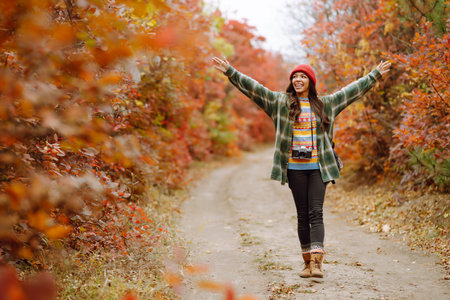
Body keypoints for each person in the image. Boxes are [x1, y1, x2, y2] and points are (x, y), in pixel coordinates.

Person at [212, 56, 391, 278]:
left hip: (318, 167)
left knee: (316, 212)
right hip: (294, 169)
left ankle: (317, 263)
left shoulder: (326, 104)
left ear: (310, 82)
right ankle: (306, 263)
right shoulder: (280, 102)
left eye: (302, 76)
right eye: (294, 76)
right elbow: (254, 89)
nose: (297, 79)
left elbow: (352, 91)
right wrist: (231, 71)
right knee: (302, 215)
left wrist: (374, 74)